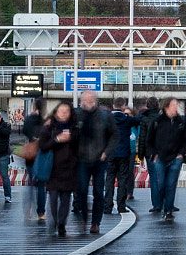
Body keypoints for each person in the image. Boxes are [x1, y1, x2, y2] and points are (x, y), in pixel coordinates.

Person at [72, 90, 116, 235]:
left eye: (91, 100)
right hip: (81, 159)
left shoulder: (105, 116)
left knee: (98, 191)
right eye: (85, 100)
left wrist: (106, 152)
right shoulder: (76, 115)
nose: (88, 103)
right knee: (82, 191)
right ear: (81, 101)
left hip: (99, 159)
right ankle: (83, 218)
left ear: (96, 101)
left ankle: (96, 222)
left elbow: (114, 136)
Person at [147, 96, 186, 218]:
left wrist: (181, 154)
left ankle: (168, 210)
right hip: (160, 157)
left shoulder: (181, 122)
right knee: (161, 183)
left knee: (171, 184)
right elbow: (149, 139)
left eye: (176, 105)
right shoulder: (157, 121)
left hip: (175, 157)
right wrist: (154, 154)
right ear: (166, 107)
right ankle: (162, 203)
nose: (175, 108)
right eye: (173, 105)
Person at [42, 101, 79, 237]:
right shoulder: (49, 128)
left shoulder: (75, 128)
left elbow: (80, 147)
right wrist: (57, 140)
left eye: (66, 111)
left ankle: (62, 223)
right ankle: (54, 221)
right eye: (61, 111)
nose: (63, 113)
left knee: (65, 198)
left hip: (69, 169)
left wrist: (72, 139)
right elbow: (43, 146)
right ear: (56, 113)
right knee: (53, 197)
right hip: (53, 169)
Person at [21, 99, 53, 221]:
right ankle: (41, 212)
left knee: (31, 182)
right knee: (41, 184)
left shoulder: (30, 119)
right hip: (43, 155)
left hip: (31, 154)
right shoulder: (46, 121)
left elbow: (24, 131)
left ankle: (27, 209)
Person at [109, 98, 138, 215]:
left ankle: (107, 206)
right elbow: (139, 120)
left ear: (112, 106)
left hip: (110, 153)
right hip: (124, 153)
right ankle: (121, 205)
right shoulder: (127, 119)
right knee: (122, 179)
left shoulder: (107, 119)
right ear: (123, 107)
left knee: (109, 179)